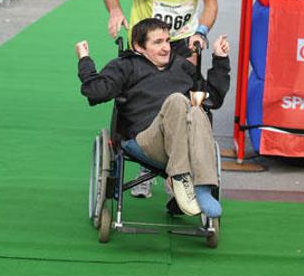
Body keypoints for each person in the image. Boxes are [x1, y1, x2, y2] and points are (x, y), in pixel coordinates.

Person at [103, 0, 218, 197]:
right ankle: (146, 163)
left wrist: (201, 32)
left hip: (183, 36)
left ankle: (184, 169)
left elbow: (210, 2)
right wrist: (115, 10)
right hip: (147, 38)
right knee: (145, 96)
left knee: (188, 96)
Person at [76, 18, 230, 218]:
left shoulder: (182, 66)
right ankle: (180, 177)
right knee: (177, 100)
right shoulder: (126, 66)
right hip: (147, 140)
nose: (166, 48)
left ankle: (201, 188)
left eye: (167, 41)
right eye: (157, 42)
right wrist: (84, 59)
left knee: (197, 109)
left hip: (185, 142)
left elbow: (211, 99)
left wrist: (220, 59)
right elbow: (96, 91)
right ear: (139, 47)